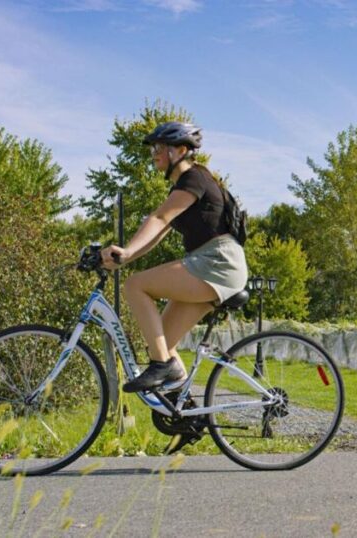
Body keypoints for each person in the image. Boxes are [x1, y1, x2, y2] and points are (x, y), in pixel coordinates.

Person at [102, 121, 248, 393]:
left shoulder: (194, 178)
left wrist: (127, 252)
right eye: (153, 149)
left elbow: (159, 218)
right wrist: (123, 257)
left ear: (180, 150)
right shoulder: (184, 187)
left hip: (218, 262)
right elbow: (158, 233)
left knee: (135, 285)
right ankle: (181, 407)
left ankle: (162, 366)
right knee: (161, 343)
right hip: (212, 264)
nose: (154, 153)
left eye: (160, 147)